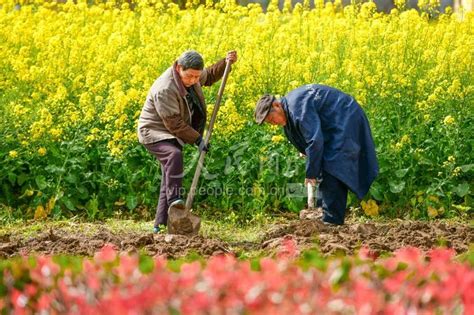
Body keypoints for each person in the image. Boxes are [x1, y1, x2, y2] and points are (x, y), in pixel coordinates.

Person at [138, 50, 238, 233]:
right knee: (173, 155)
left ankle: (159, 226)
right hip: (154, 131)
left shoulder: (193, 74)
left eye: (196, 77)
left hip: (172, 132)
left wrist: (226, 63)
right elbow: (174, 123)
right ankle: (175, 202)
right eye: (190, 76)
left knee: (169, 177)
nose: (193, 80)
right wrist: (197, 138)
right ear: (178, 68)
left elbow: (210, 75)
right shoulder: (165, 88)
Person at [255, 84, 378, 225]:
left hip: (346, 118)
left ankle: (332, 221)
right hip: (335, 123)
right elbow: (301, 136)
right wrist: (306, 152)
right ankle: (322, 211)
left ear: (277, 105)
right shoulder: (288, 108)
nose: (273, 124)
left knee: (332, 167)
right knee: (322, 163)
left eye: (271, 119)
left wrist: (310, 173)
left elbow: (315, 140)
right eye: (269, 123)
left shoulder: (297, 107)